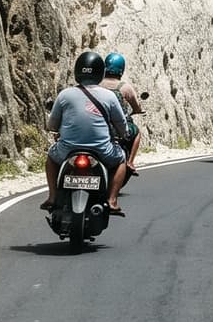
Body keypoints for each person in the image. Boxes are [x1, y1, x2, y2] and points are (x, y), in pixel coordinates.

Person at [43, 50, 130, 215]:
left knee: (51, 158)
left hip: (68, 150)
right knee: (121, 160)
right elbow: (121, 124)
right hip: (102, 151)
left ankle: (53, 196)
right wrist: (123, 133)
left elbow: (52, 125)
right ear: (99, 73)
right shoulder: (109, 96)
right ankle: (112, 200)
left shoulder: (65, 95)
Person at [102, 51, 142, 177]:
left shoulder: (97, 84)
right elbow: (136, 106)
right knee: (137, 133)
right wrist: (137, 110)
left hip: (98, 124)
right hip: (117, 128)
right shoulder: (125, 87)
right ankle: (130, 162)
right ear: (121, 69)